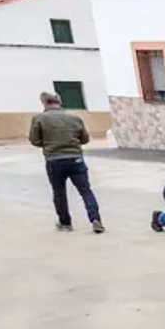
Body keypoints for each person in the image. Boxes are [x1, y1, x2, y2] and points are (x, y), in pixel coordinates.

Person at [29, 91, 104, 233]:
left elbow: (35, 140)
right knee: (85, 190)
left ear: (44, 103)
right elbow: (85, 139)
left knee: (59, 192)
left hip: (54, 160)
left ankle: (65, 223)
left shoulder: (39, 119)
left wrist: (49, 144)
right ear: (60, 102)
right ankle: (95, 219)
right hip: (75, 159)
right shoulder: (74, 119)